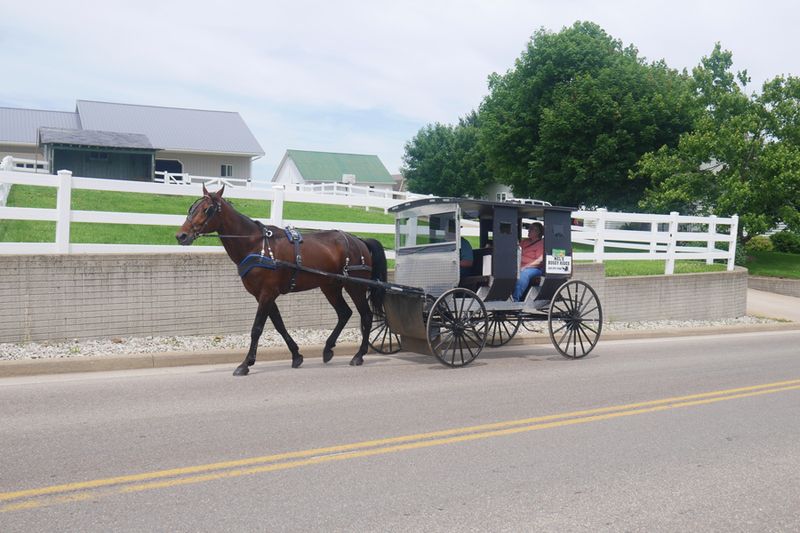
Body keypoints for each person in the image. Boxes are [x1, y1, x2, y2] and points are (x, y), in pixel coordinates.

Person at [513, 222, 544, 301]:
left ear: (538, 232)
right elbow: (516, 251)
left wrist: (526, 266)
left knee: (523, 275)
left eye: (531, 229)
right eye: (529, 229)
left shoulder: (541, 244)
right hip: (519, 265)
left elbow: (539, 260)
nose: (528, 231)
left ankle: (516, 300)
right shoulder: (525, 241)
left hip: (534, 268)